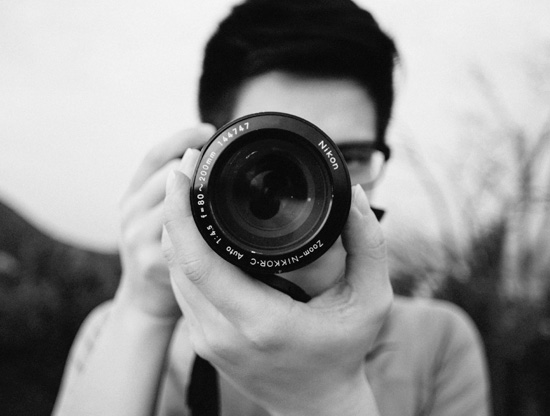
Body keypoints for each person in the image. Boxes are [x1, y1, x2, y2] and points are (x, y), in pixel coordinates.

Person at [53, 0, 491, 415]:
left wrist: (329, 396)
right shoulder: (117, 331)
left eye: (350, 158)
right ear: (208, 157)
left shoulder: (437, 343)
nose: (317, 186)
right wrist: (144, 309)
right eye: (277, 157)